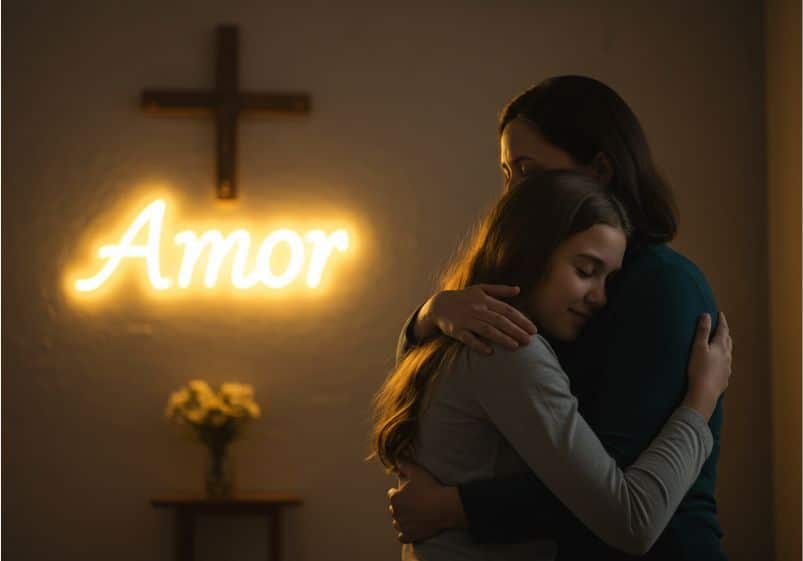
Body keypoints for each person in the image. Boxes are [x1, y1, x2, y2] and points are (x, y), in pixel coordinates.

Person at [388, 76, 730, 560]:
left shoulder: (659, 286)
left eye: (526, 171)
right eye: (507, 173)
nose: (510, 193)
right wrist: (430, 315)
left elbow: (619, 494)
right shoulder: (521, 319)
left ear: (600, 170)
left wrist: (457, 507)